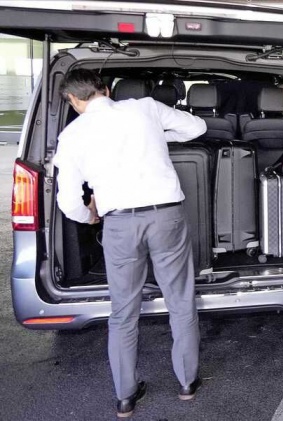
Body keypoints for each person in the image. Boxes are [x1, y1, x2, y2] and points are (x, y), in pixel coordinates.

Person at [53, 69, 207, 418]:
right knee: (180, 300)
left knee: (123, 312)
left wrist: (90, 217)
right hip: (166, 216)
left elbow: (69, 202)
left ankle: (125, 396)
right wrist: (159, 135)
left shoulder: (72, 135)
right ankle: (187, 382)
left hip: (120, 223)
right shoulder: (145, 108)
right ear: (107, 90)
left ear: (73, 100)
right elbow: (197, 128)